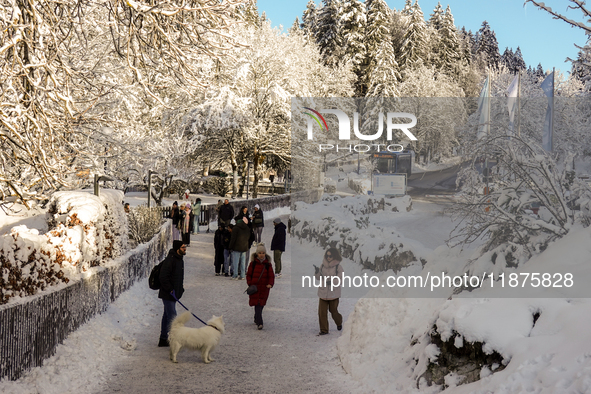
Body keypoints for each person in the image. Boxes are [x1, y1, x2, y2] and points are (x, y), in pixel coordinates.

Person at [158, 240, 186, 347]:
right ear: (177, 248)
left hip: (174, 294)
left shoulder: (179, 260)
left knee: (166, 315)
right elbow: (163, 277)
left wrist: (180, 290)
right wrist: (170, 289)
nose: (185, 249)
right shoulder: (170, 260)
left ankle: (163, 339)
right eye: (183, 247)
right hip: (168, 294)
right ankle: (176, 340)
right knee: (173, 317)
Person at [315, 247, 343, 336]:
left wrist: (332, 282)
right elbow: (319, 278)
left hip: (333, 293)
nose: (328, 257)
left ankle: (339, 322)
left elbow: (340, 279)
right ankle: (324, 330)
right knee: (321, 312)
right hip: (323, 292)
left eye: (330, 256)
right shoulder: (322, 265)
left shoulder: (338, 267)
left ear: (334, 256)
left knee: (333, 311)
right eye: (327, 255)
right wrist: (317, 272)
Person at [246, 244, 274, 330]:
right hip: (255, 288)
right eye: (260, 253)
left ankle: (256, 317)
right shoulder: (253, 264)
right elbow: (249, 275)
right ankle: (260, 322)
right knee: (257, 304)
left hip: (264, 288)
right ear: (257, 254)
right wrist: (250, 283)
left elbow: (271, 276)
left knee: (261, 304)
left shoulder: (268, 265)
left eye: (263, 253)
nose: (261, 255)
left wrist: (270, 284)